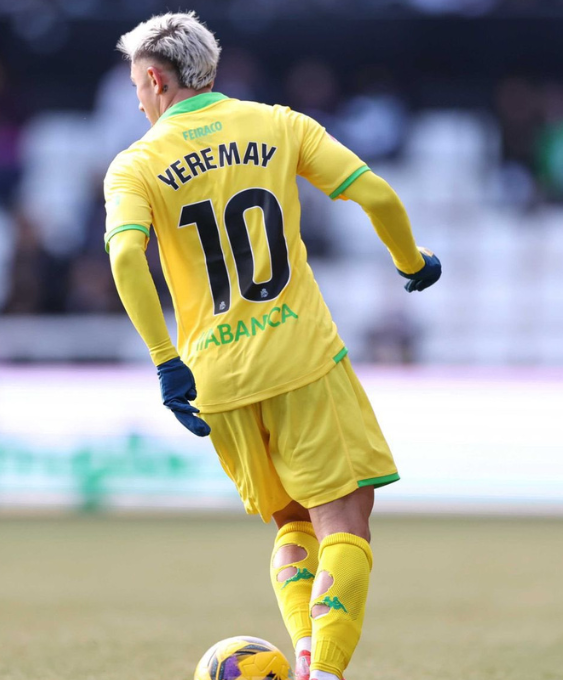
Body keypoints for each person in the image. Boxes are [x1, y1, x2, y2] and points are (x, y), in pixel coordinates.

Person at [103, 13, 441, 680]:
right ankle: (326, 672)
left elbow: (123, 260)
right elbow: (375, 193)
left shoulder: (136, 164)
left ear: (153, 79)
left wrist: (167, 364)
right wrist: (411, 261)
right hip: (302, 359)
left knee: (290, 523)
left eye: (136, 87)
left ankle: (308, 658)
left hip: (216, 378)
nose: (137, 99)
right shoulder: (279, 124)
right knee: (343, 521)